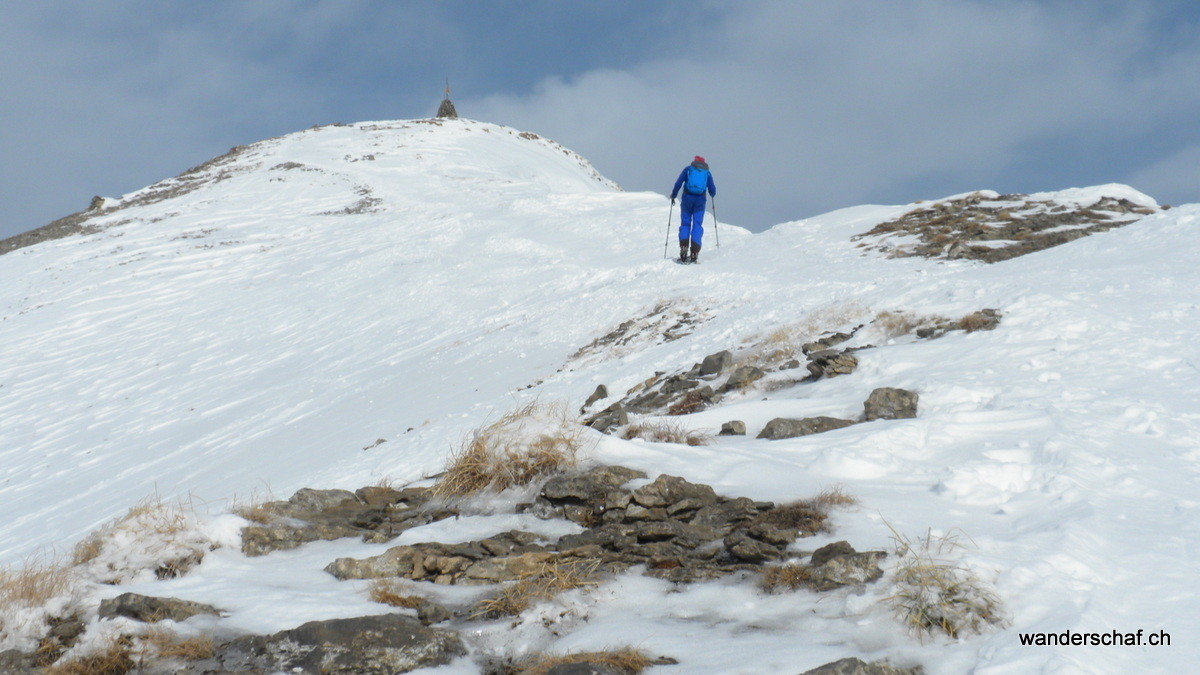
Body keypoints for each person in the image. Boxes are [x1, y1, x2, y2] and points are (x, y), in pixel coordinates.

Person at [670, 156, 716, 263]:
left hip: (687, 199)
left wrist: (674, 194)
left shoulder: (688, 169)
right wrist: (712, 194)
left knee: (685, 224)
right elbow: (712, 189)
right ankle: (694, 252)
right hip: (700, 201)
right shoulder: (707, 173)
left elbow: (678, 183)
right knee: (697, 225)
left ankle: (684, 247)